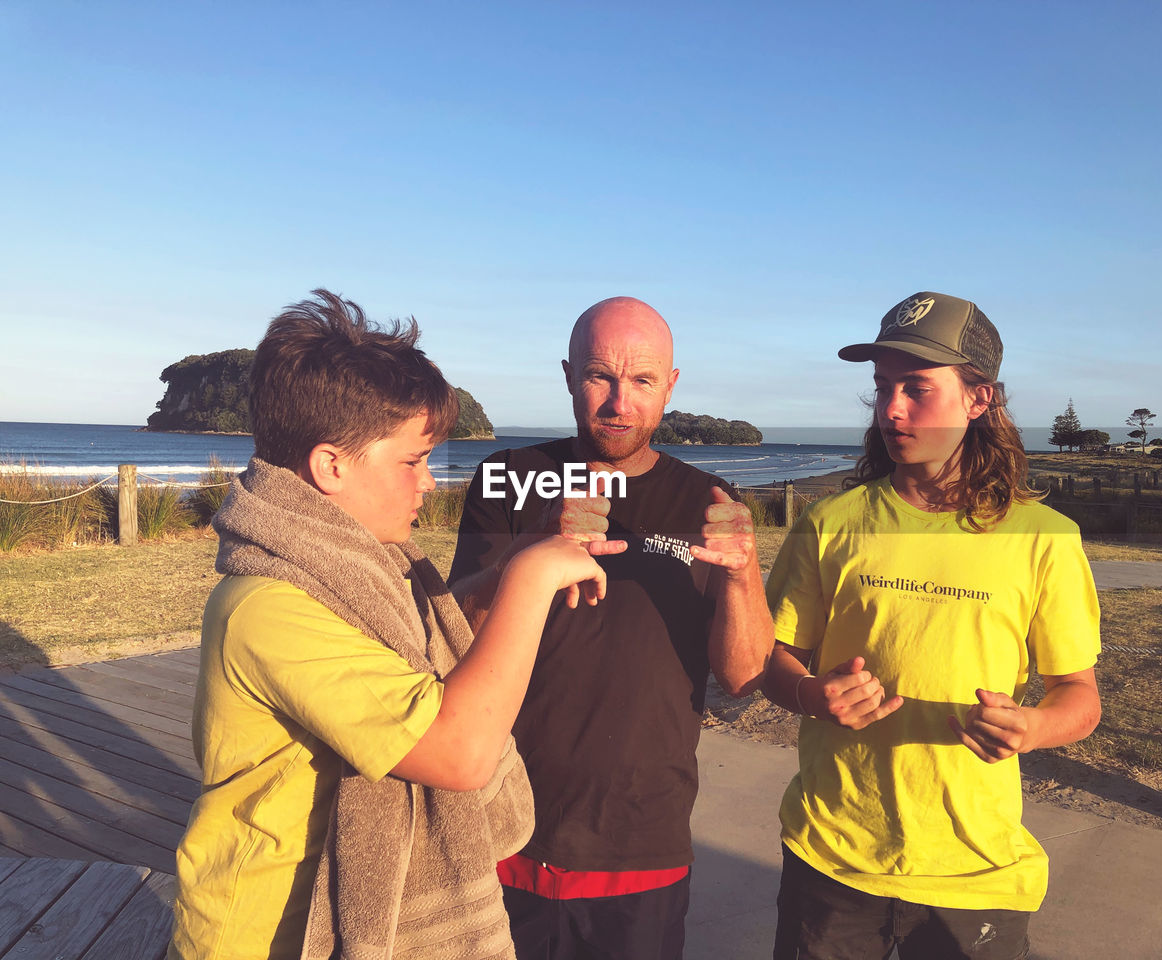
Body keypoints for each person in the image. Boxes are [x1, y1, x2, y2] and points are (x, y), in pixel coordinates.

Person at [168, 289, 612, 960]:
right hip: (269, 935)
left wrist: (511, 564)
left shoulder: (360, 567)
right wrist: (530, 581)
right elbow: (457, 752)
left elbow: (419, 645)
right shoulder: (270, 607)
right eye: (412, 461)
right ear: (332, 466)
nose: (429, 483)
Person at [763, 292, 1102, 960]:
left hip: (976, 870)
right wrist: (808, 694)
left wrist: (1033, 727)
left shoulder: (1045, 538)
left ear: (980, 399)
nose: (891, 409)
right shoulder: (832, 524)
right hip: (833, 856)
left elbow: (1080, 696)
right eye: (882, 388)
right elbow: (772, 658)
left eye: (917, 388)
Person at [448, 296, 774, 960]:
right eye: (600, 375)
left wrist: (744, 576)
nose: (619, 402)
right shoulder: (509, 479)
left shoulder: (708, 501)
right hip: (501, 821)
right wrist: (532, 547)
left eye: (643, 381)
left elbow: (743, 675)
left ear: (670, 386)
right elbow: (451, 631)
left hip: (640, 839)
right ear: (568, 375)